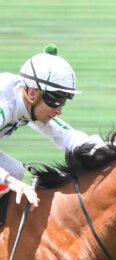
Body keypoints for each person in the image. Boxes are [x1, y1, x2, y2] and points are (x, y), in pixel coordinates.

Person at [0, 44, 103, 207]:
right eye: (55, 100)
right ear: (32, 93)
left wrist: (108, 148)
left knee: (14, 171)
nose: (59, 110)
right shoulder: (4, 103)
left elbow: (66, 136)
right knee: (10, 176)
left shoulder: (29, 103)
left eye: (63, 101)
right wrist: (10, 181)